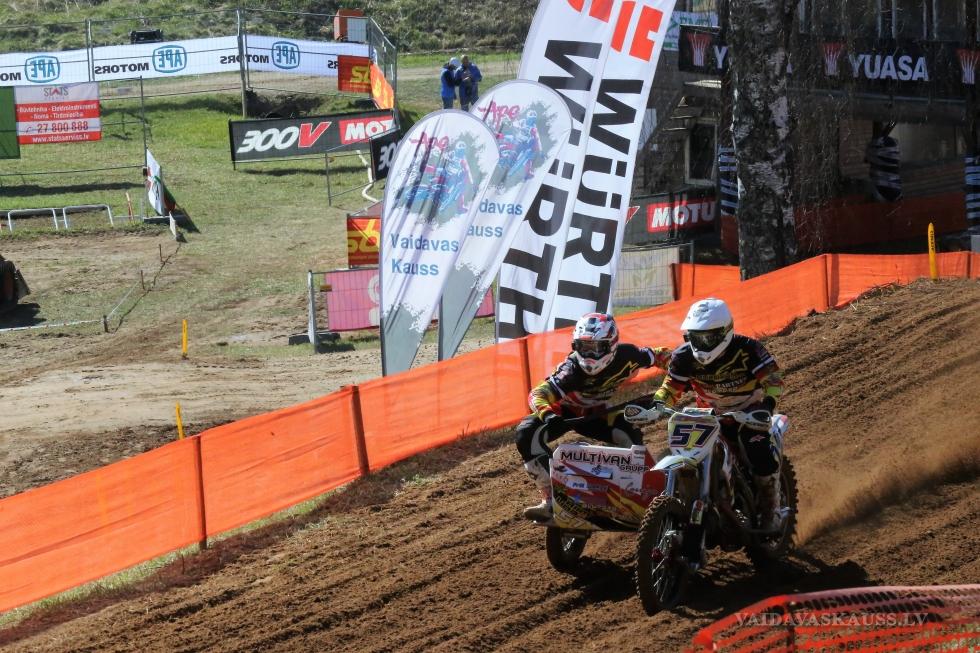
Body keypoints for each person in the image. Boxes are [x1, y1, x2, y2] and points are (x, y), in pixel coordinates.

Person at [516, 312, 672, 521]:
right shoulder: (571, 369)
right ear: (575, 346)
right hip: (564, 413)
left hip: (598, 413)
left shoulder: (628, 355)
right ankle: (551, 498)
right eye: (583, 347)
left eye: (596, 348)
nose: (589, 354)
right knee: (526, 434)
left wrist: (682, 373)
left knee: (630, 435)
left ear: (611, 344)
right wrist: (547, 414)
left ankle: (639, 498)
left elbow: (662, 355)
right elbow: (538, 393)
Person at [649, 298, 786, 531]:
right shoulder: (684, 355)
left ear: (725, 331)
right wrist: (658, 402)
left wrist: (768, 405)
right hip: (707, 414)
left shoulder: (748, 349)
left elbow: (773, 380)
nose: (701, 343)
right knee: (676, 450)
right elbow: (671, 386)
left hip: (748, 411)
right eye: (696, 337)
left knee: (759, 452)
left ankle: (771, 509)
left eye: (708, 337)